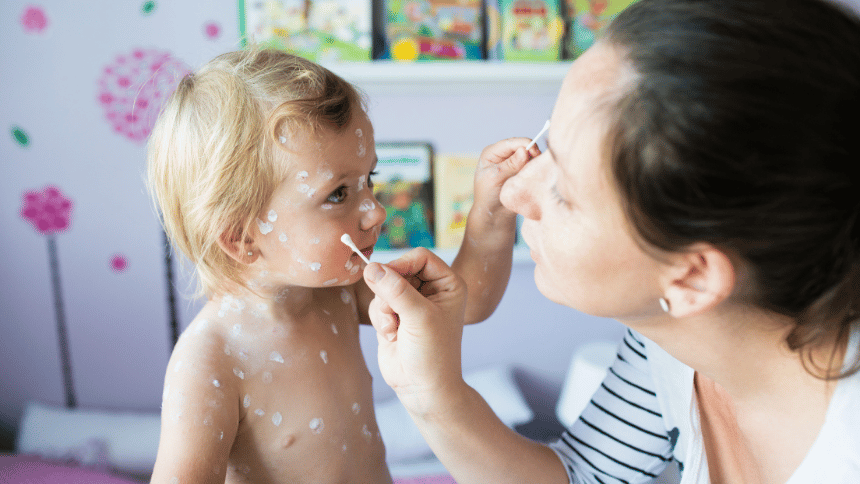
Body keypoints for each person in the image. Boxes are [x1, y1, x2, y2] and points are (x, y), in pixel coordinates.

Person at [361, 0, 860, 483]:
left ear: (692, 276)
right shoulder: (669, 341)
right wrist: (430, 392)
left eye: (563, 192)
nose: (512, 193)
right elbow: (583, 475)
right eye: (548, 146)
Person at [145, 48, 536, 484]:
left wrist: (493, 209)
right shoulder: (210, 361)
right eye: (337, 194)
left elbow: (469, 301)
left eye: (369, 180)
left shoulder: (338, 293)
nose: (375, 212)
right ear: (241, 238)